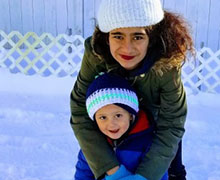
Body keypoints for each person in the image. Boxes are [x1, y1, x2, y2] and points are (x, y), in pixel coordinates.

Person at [70, 0, 194, 179]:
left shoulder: (167, 63)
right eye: (118, 35)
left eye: (138, 36)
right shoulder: (96, 54)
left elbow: (172, 123)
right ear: (107, 37)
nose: (127, 48)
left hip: (156, 135)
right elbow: (80, 111)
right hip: (111, 130)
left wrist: (146, 176)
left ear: (151, 38)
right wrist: (111, 169)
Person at [74, 72, 168, 180]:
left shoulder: (146, 142)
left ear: (131, 116)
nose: (111, 124)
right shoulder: (93, 144)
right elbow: (83, 174)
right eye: (103, 117)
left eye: (118, 115)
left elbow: (159, 172)